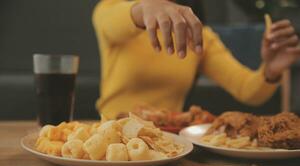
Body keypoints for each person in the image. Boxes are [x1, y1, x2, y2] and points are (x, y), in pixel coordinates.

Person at [92, 0, 300, 119]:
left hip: (167, 144)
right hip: (108, 136)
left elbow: (247, 90)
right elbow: (114, 23)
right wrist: (146, 7)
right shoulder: (110, 9)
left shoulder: (199, 35)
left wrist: (271, 70)